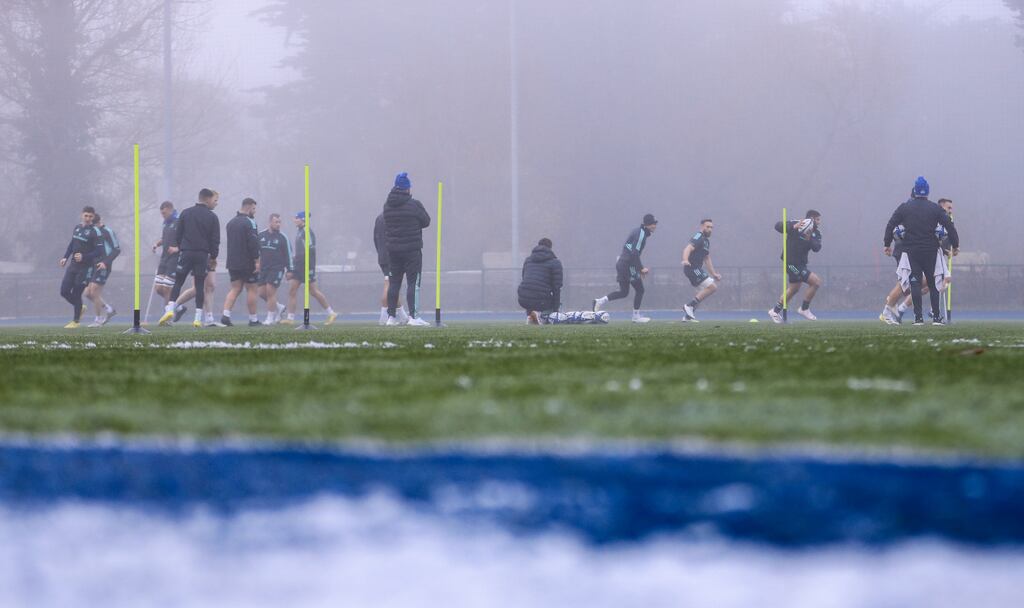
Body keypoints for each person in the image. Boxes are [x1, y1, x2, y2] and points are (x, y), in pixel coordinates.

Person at [883, 179, 959, 325]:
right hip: (931, 251)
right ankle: (936, 317)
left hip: (911, 251)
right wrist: (955, 244)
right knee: (933, 283)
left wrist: (887, 243)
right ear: (927, 192)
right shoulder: (934, 208)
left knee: (915, 284)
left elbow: (891, 224)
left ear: (915, 191)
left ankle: (918, 318)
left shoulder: (905, 208)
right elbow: (949, 226)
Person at [158, 188, 221, 327]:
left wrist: (182, 247)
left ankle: (170, 308)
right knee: (199, 286)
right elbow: (215, 240)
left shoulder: (186, 213)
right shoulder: (212, 217)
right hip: (202, 254)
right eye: (214, 200)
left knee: (178, 282)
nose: (215, 204)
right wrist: (213, 256)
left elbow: (178, 235)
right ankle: (198, 318)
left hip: (186, 252)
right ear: (207, 199)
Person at [382, 172, 431, 327]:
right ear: (407, 188)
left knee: (394, 283)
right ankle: (414, 317)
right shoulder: (414, 204)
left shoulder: (387, 205)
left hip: (393, 251)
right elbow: (426, 221)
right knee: (413, 283)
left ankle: (391, 317)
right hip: (412, 250)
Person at [592, 213, 658, 323]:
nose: (655, 226)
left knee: (624, 292)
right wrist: (641, 269)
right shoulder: (641, 234)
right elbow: (634, 253)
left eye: (655, 223)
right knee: (640, 289)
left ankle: (599, 301)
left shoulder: (637, 231)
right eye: (653, 224)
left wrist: (637, 268)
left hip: (622, 263)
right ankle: (636, 317)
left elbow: (631, 252)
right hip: (628, 265)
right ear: (647, 224)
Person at [768, 210, 823, 323]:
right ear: (811, 219)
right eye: (818, 219)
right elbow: (777, 226)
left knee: (794, 289)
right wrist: (793, 227)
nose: (819, 222)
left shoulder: (816, 233)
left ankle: (775, 310)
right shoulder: (797, 223)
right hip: (791, 264)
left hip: (801, 263)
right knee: (816, 282)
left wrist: (809, 239)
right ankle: (804, 308)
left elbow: (817, 248)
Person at [284, 211, 337, 325]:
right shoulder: (299, 232)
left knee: (313, 291)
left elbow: (310, 249)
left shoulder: (306, 231)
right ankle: (290, 318)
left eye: (297, 218)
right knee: (292, 290)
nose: (294, 220)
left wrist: (306, 265)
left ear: (302, 219)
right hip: (299, 266)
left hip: (306, 266)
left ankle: (331, 313)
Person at [59, 206, 104, 328]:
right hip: (73, 266)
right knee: (64, 291)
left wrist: (84, 257)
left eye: (90, 216)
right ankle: (79, 308)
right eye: (86, 215)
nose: (88, 218)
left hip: (86, 269)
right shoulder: (77, 228)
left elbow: (100, 251)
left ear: (93, 217)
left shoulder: (95, 231)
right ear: (82, 215)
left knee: (77, 293)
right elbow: (72, 244)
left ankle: (75, 321)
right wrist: (65, 257)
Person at [220, 198, 261, 327]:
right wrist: (257, 261)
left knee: (235, 288)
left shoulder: (230, 223)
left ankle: (225, 315)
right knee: (252, 289)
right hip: (247, 262)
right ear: (248, 208)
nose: (254, 212)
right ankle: (253, 319)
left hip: (232, 262)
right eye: (254, 209)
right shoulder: (250, 222)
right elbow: (253, 243)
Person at [680, 219, 721, 322]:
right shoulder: (698, 237)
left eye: (711, 227)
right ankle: (689, 306)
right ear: (702, 227)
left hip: (696, 269)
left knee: (701, 293)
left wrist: (714, 274)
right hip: (692, 268)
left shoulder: (706, 241)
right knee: (712, 287)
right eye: (708, 227)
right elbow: (687, 248)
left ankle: (688, 317)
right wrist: (685, 259)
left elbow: (707, 258)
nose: (710, 229)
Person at [152, 201, 188, 322]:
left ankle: (168, 317)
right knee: (158, 289)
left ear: (170, 209)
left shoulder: (179, 221)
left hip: (175, 259)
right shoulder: (165, 223)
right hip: (164, 258)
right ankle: (178, 307)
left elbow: (187, 238)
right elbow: (165, 238)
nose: (163, 215)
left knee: (167, 288)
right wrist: (158, 243)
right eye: (161, 213)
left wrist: (178, 248)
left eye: (164, 213)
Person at [84, 213, 121, 327]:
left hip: (104, 265)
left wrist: (105, 262)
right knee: (87, 293)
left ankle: (98, 320)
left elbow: (117, 249)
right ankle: (109, 309)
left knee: (94, 291)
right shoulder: (92, 233)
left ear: (97, 223)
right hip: (93, 265)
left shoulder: (107, 231)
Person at [517, 238, 564, 325]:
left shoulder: (528, 260)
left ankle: (531, 315)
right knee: (551, 305)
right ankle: (541, 316)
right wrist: (556, 309)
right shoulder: (555, 263)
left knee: (531, 291)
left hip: (523, 298)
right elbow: (556, 288)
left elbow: (526, 280)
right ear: (550, 248)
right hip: (541, 300)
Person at [374, 212, 409, 325]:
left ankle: (403, 317)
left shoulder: (379, 218)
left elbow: (375, 238)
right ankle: (384, 317)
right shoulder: (393, 217)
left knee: (393, 286)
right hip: (391, 256)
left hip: (383, 256)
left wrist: (380, 252)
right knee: (389, 286)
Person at [257, 213, 291, 325]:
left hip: (277, 268)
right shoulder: (261, 235)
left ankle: (270, 318)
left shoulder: (283, 237)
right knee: (262, 293)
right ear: (270, 222)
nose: (278, 224)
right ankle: (279, 307)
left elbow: (289, 254)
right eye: (276, 222)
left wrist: (290, 270)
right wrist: (256, 263)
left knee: (270, 291)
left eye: (279, 222)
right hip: (264, 268)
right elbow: (256, 252)